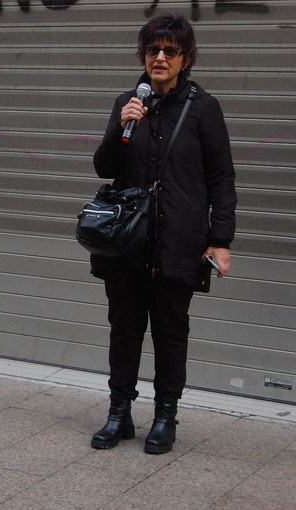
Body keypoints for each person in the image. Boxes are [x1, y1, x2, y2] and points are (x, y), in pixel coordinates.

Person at [89, 14, 237, 454]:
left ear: (185, 58)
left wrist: (221, 239)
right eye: (153, 49)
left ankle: (165, 415)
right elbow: (104, 167)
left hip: (179, 243)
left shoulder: (204, 108)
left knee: (171, 331)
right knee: (124, 329)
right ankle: (119, 414)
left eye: (170, 51)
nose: (159, 57)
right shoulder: (126, 102)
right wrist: (121, 129)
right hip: (128, 243)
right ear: (143, 54)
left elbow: (222, 179)